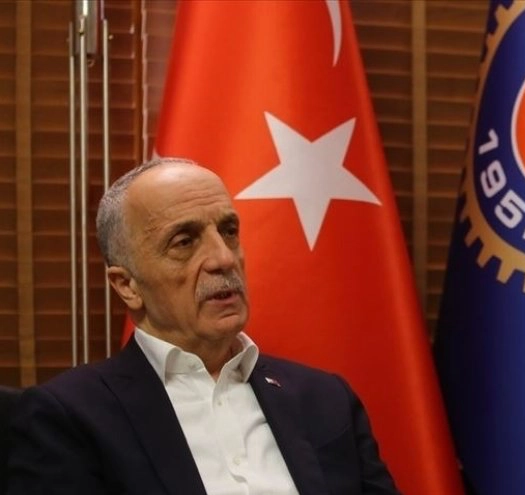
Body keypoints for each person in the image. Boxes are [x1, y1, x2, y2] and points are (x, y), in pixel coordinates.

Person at [6, 157, 399, 495]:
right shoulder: (70, 417)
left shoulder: (325, 399)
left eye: (229, 232)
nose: (223, 259)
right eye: (184, 242)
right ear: (127, 286)